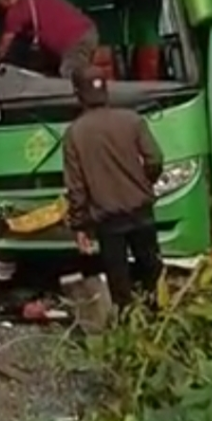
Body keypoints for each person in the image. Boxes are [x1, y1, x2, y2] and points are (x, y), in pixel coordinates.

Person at [62, 70, 164, 308]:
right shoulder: (132, 120)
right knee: (152, 271)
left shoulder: (74, 133)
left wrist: (80, 225)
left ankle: (127, 321)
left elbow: (76, 187)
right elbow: (155, 159)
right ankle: (159, 316)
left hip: (108, 219)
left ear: (77, 94)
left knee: (119, 280)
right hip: (141, 210)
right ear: (106, 90)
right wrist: (145, 182)